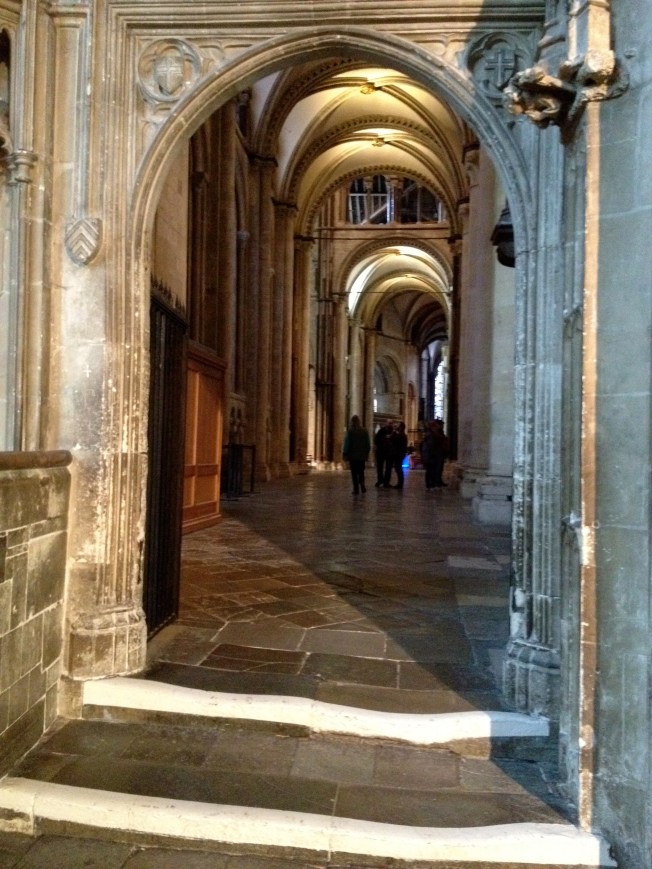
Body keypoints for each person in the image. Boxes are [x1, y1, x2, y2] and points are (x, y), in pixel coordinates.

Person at [342, 415, 371, 495]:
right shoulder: (364, 431)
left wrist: (345, 453)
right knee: (361, 471)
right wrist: (366, 453)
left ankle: (356, 489)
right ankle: (362, 483)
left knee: (354, 473)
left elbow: (347, 443)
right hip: (361, 456)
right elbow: (368, 444)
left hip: (353, 456)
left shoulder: (351, 431)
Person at [420, 418, 449, 489]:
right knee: (430, 470)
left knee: (433, 470)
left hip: (434, 454)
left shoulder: (434, 434)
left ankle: (432, 483)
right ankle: (430, 484)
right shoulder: (430, 435)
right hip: (431, 455)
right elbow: (431, 446)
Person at [373, 419, 394, 488]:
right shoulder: (381, 431)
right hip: (381, 452)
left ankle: (386, 482)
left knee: (388, 468)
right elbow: (376, 440)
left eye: (391, 423)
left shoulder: (393, 432)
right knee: (380, 467)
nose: (390, 424)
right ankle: (380, 480)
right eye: (389, 423)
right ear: (386, 424)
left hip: (389, 453)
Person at [390, 421, 408, 489]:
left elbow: (393, 440)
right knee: (398, 469)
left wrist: (394, 431)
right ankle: (400, 483)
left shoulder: (401, 435)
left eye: (398, 426)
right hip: (400, 454)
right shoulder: (402, 435)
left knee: (398, 469)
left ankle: (400, 484)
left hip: (398, 454)